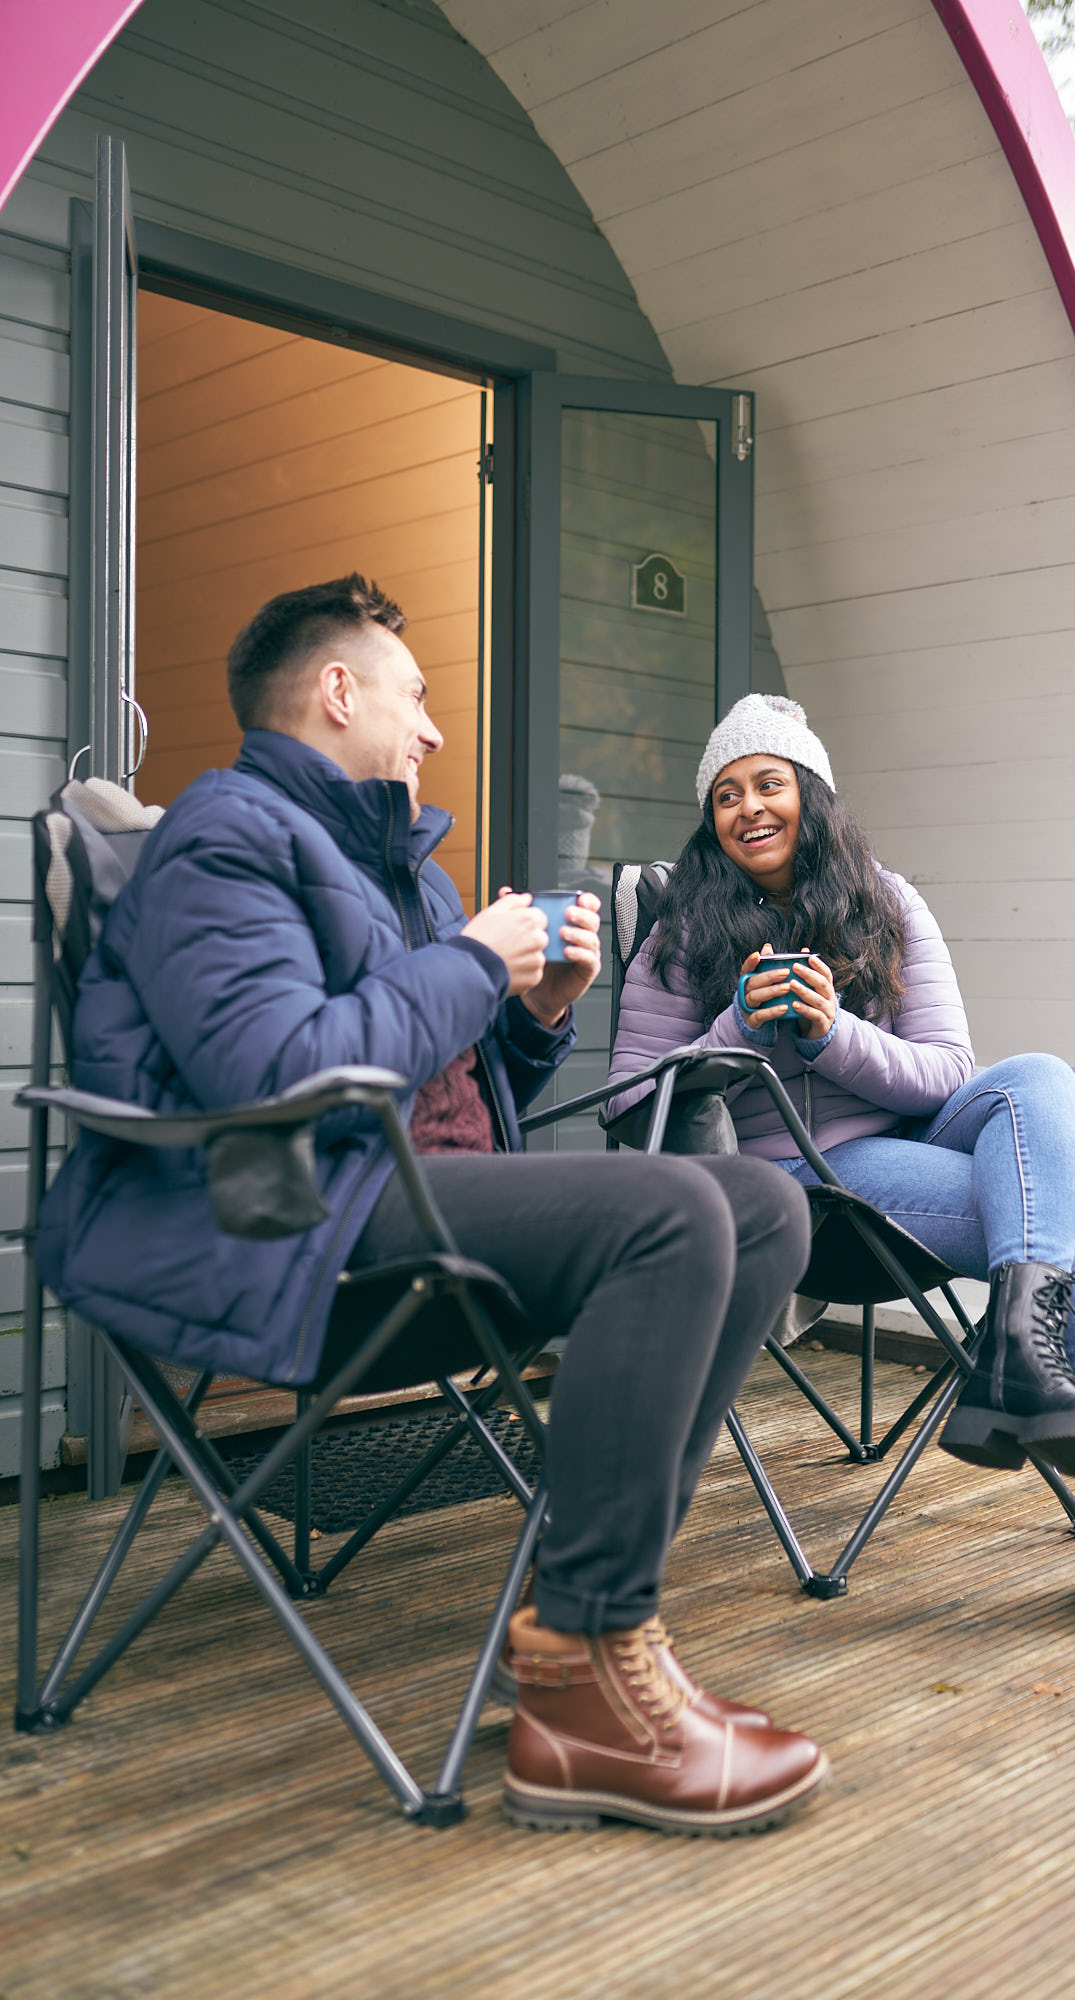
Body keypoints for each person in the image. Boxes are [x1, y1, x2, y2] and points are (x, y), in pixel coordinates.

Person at [36, 581, 828, 1836]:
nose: (433, 730)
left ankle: (589, 1617)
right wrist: (468, 961)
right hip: (289, 1228)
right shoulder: (224, 837)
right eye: (413, 694)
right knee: (675, 1208)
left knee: (762, 1207)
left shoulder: (392, 864)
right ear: (337, 691)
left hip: (410, 1207)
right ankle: (583, 1668)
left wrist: (534, 1008)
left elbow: (454, 1096)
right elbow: (274, 1076)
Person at [607, 693, 1075, 1649]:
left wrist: (834, 1035)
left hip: (905, 1147)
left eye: (769, 784)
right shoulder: (680, 935)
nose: (748, 808)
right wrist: (734, 1029)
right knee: (1054, 1220)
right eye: (726, 795)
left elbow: (946, 1072)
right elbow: (631, 1104)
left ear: (812, 796)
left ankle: (1025, 1366)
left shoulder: (887, 902)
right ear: (709, 820)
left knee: (1031, 1078)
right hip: (792, 1185)